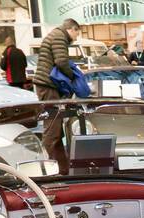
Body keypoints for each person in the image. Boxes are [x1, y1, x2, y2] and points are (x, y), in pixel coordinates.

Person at [32, 17, 82, 175]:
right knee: (52, 127)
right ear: (72, 29)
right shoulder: (60, 37)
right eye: (77, 33)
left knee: (56, 128)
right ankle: (46, 168)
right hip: (48, 86)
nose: (76, 37)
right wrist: (72, 77)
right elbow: (61, 62)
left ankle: (63, 168)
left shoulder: (55, 35)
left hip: (46, 86)